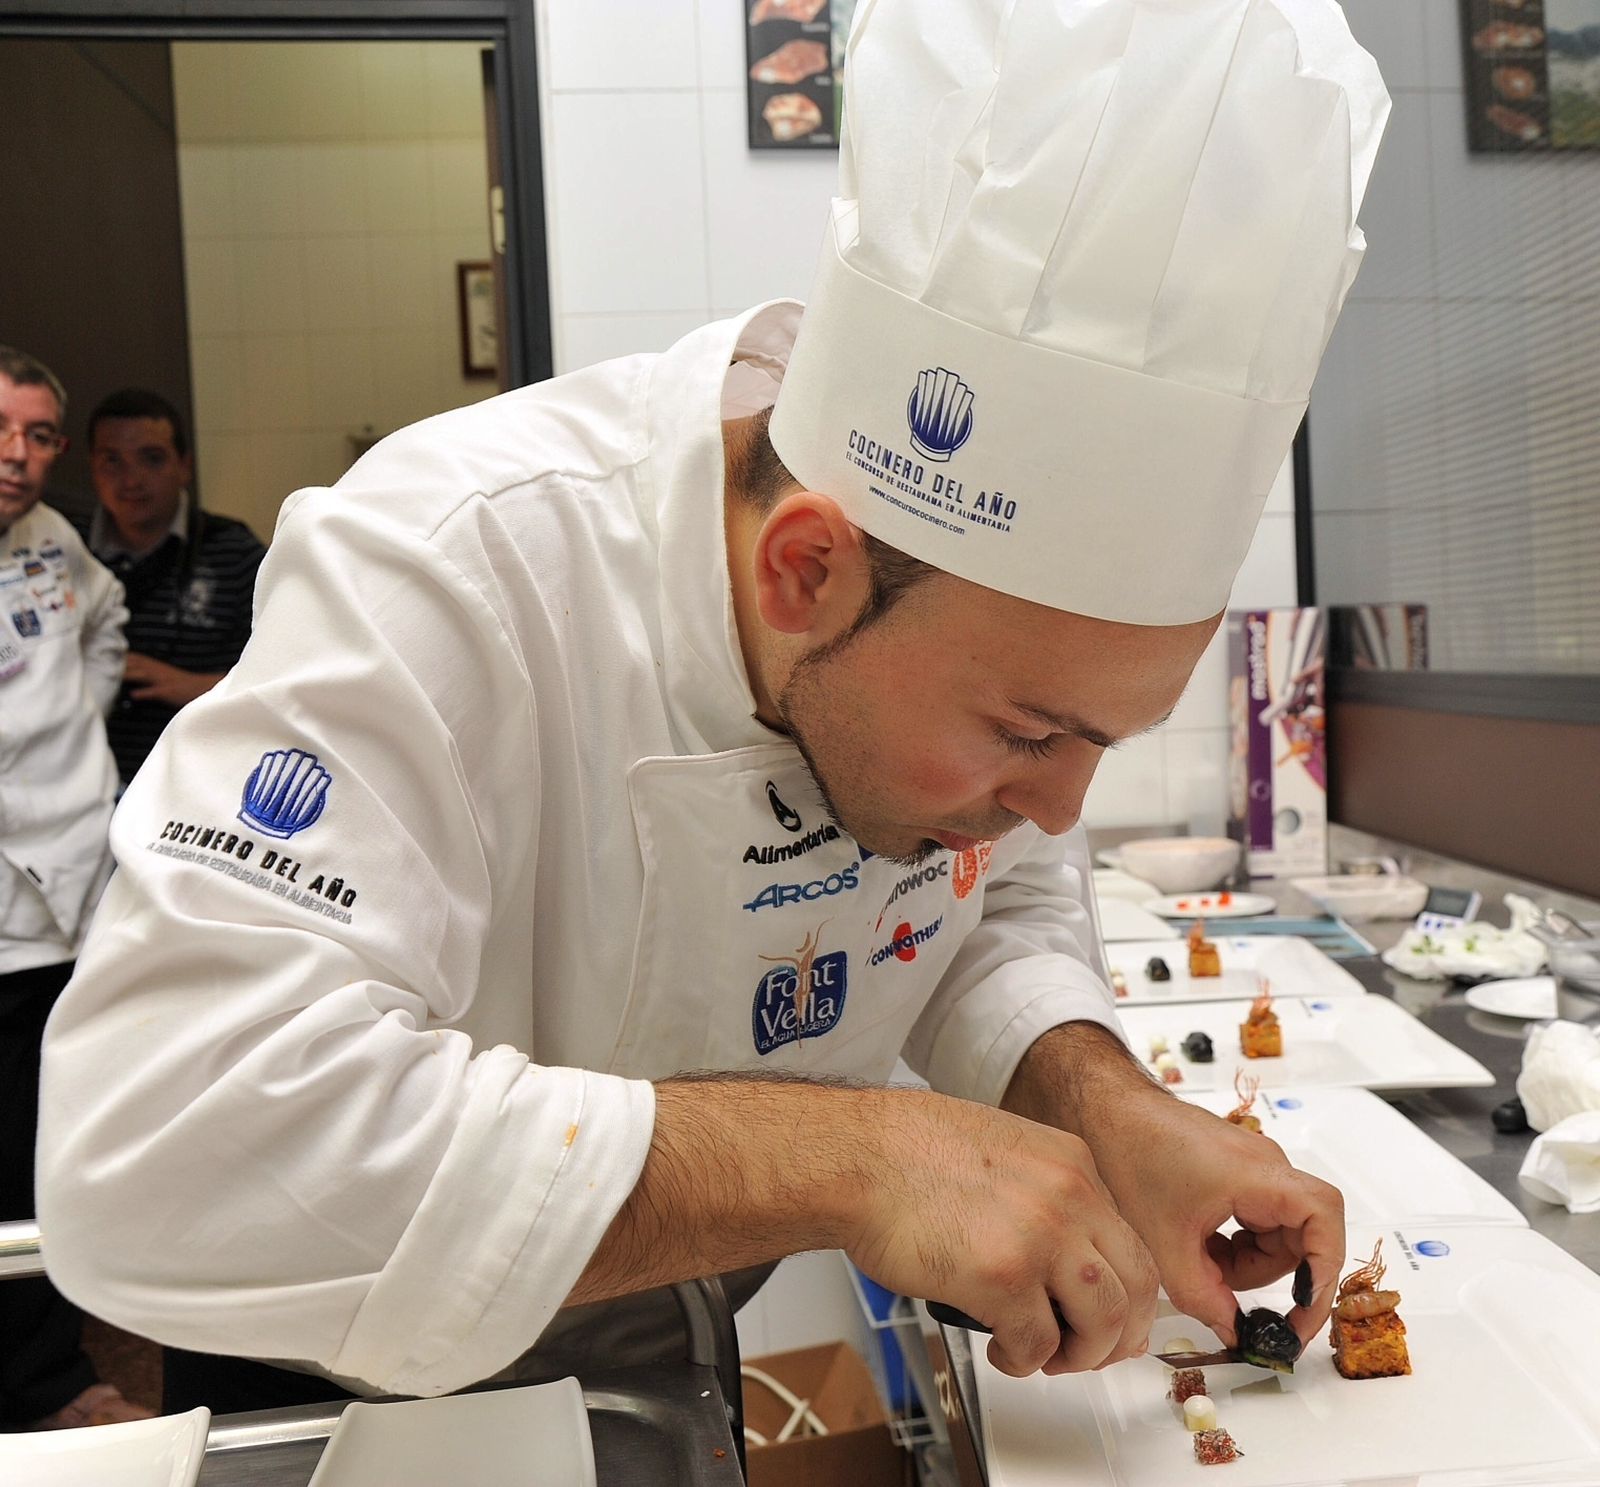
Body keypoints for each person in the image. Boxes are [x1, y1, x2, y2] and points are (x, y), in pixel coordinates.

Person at [38, 0, 1390, 1415]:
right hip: (351, 1368)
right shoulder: (456, 567)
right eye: (1030, 732)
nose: (1061, 805)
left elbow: (983, 915)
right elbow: (158, 1147)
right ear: (808, 568)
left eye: (1094, 742)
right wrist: (867, 1156)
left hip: (670, 1345)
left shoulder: (960, 649)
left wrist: (1114, 1110)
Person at [0, 346, 145, 1429]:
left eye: (41, 435)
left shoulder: (53, 544)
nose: (19, 457)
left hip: (68, 895)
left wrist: (84, 714)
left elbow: (105, 620)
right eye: (3, 430)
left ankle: (54, 1380)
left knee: (44, 1148)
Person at [79, 389, 266, 786]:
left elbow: (288, 673)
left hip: (200, 785)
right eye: (112, 460)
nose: (131, 479)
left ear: (184, 466)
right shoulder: (62, 551)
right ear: (92, 468)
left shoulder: (232, 550)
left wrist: (194, 685)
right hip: (82, 788)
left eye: (152, 458)